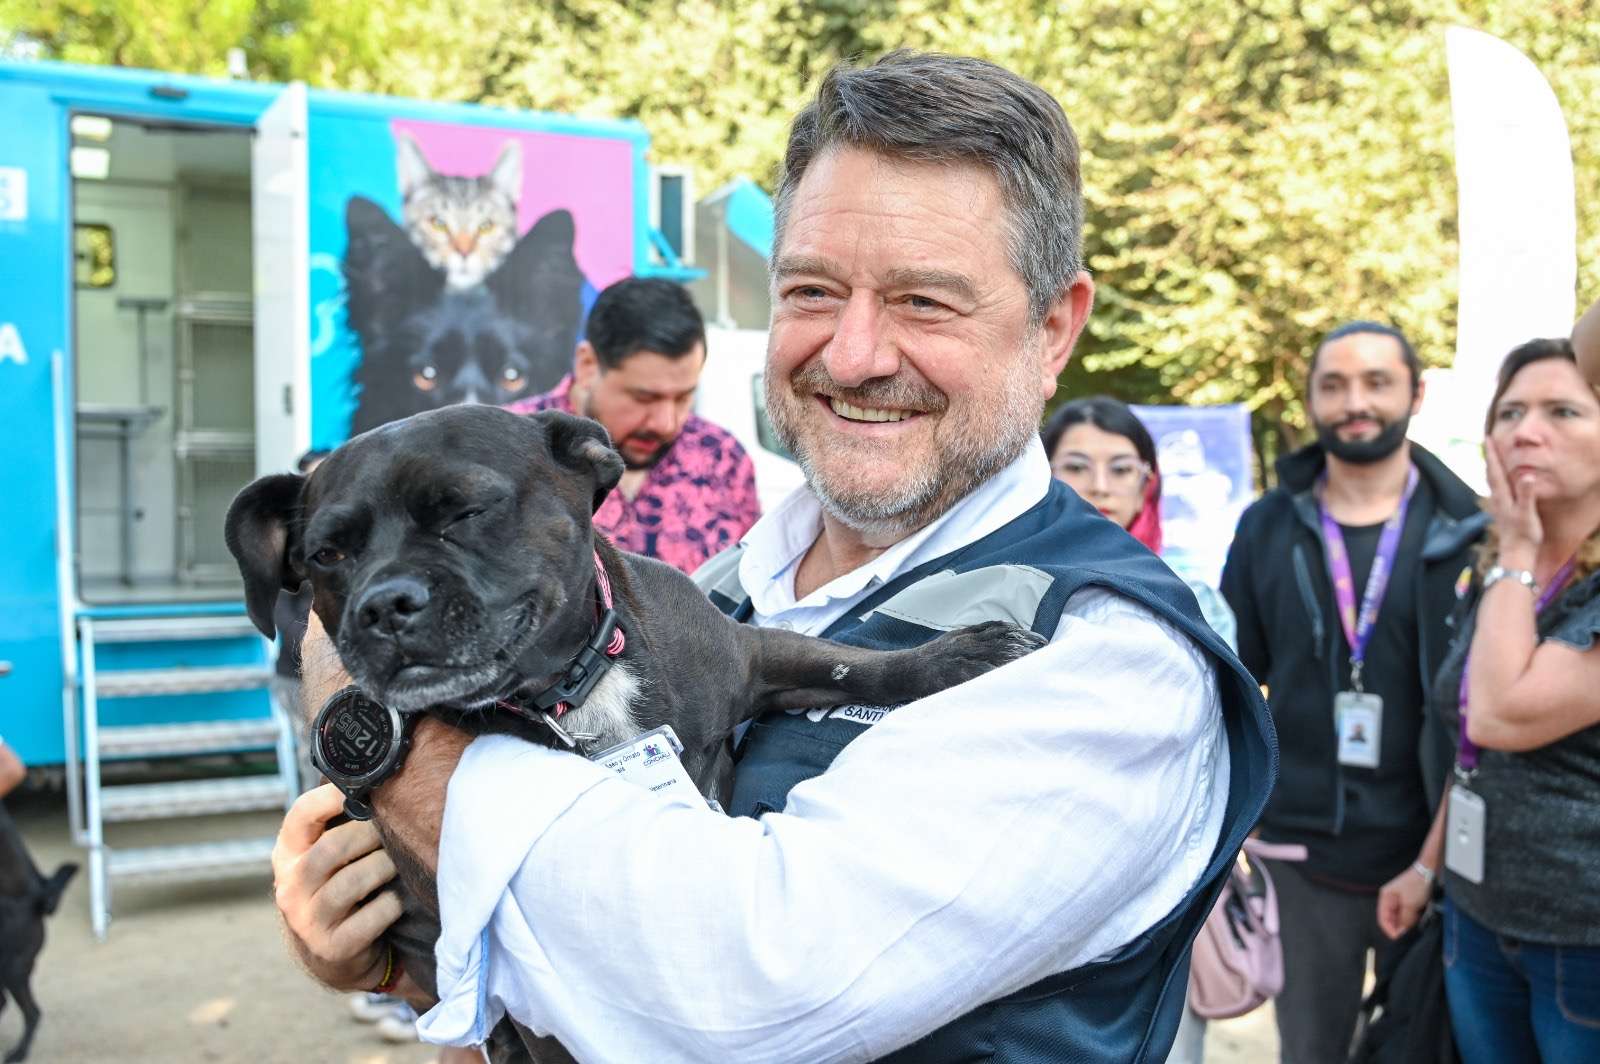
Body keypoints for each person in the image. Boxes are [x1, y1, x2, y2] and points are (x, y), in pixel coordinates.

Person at [270, 51, 1275, 1062]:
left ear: (1053, 327)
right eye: (810, 290)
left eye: (925, 301)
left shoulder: (1109, 656)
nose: (851, 352)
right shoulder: (717, 588)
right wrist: (412, 957)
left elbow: (744, 990)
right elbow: (549, 999)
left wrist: (383, 738)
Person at [1220, 321, 1486, 1063]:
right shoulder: (1268, 524)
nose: (1354, 402)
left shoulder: (1473, 533)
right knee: (1313, 1051)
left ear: (1416, 393)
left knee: (1430, 1048)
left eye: (1376, 382)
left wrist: (1437, 857)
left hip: (1435, 857)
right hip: (1303, 856)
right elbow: (1232, 680)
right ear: (1309, 401)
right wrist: (1242, 822)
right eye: (1332, 386)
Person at [1377, 338, 1600, 1062]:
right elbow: (1473, 750)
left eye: (1563, 410)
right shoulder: (1496, 565)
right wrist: (1426, 867)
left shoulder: (1510, 564)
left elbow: (1500, 714)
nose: (1526, 431)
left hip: (1581, 939)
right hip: (1474, 918)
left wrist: (1514, 554)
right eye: (1510, 412)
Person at [503, 275, 761, 574]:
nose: (666, 423)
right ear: (587, 365)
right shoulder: (509, 448)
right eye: (644, 397)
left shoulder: (723, 461)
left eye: (683, 397)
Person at [1043, 395, 1237, 649]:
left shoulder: (1197, 602)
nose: (1100, 487)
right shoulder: (1007, 587)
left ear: (1147, 486)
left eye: (1121, 469)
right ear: (1043, 476)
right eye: (1077, 467)